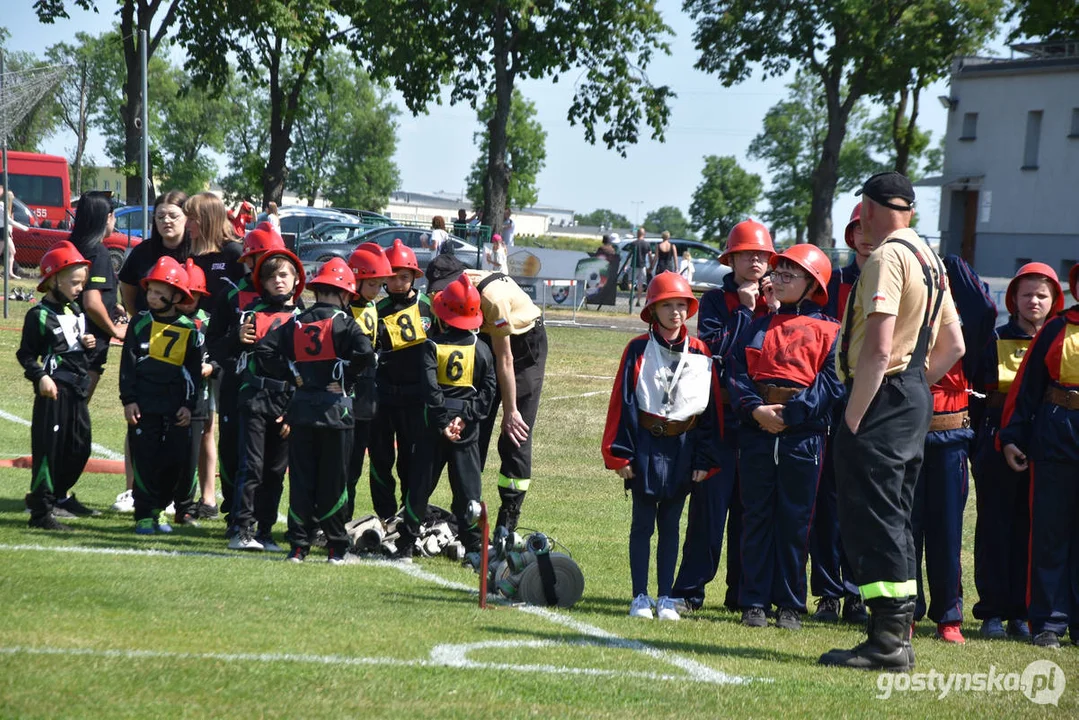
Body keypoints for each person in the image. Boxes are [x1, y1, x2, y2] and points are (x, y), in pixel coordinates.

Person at [820, 171, 964, 671]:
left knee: (872, 519)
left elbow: (878, 350)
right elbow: (954, 346)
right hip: (913, 397)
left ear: (872, 210)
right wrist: (914, 386)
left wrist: (855, 417)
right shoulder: (931, 259)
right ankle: (893, 634)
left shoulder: (887, 256)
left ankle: (886, 641)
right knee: (895, 516)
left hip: (881, 399)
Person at [728, 244, 842, 631]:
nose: (776, 280)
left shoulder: (830, 330)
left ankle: (790, 604)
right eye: (776, 274)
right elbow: (737, 372)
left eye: (788, 275)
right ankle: (754, 601)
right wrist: (755, 410)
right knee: (755, 516)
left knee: (797, 521)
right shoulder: (758, 324)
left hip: (804, 436)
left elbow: (831, 382)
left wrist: (793, 415)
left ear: (813, 284)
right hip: (758, 432)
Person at [672, 219, 776, 616]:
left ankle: (744, 594)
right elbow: (714, 352)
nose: (756, 260)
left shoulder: (778, 300)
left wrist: (769, 309)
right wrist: (747, 312)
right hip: (719, 419)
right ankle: (690, 591)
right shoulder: (717, 300)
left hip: (759, 422)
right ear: (730, 259)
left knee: (752, 512)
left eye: (762, 254)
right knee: (708, 512)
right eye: (748, 254)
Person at [602, 272, 719, 621]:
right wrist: (620, 453)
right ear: (653, 310)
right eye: (667, 306)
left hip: (683, 447)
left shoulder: (700, 351)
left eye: (681, 305)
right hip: (645, 446)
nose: (675, 313)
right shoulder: (637, 348)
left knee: (671, 525)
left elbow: (710, 412)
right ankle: (640, 595)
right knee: (642, 524)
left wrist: (704, 459)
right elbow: (621, 403)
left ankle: (666, 597)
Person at [258, 258, 376, 564]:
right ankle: (336, 548)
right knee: (334, 482)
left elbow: (264, 351)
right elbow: (366, 354)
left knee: (301, 480)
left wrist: (293, 375)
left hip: (302, 411)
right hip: (337, 414)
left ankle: (298, 546)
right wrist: (345, 377)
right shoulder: (345, 323)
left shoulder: (296, 322)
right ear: (345, 294)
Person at [971, 263, 1063, 641]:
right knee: (994, 527)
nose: (1034, 301)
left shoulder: (1062, 339)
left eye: (1042, 294)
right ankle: (993, 610)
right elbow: (977, 394)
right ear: (1013, 299)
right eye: (1026, 294)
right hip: (995, 441)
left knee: (1033, 530)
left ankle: (1024, 613)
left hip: (1042, 443)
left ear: (1055, 299)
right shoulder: (993, 340)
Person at [425, 254, 546, 534]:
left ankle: (508, 516)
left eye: (442, 288)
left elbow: (505, 359)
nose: (438, 295)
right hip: (487, 339)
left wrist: (511, 410)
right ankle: (466, 511)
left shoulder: (491, 299)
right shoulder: (455, 291)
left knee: (515, 433)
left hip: (524, 347)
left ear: (461, 277)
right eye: (434, 290)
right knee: (474, 421)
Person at [910, 255, 996, 645]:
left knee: (946, 531)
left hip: (950, 438)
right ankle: (905, 612)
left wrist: (949, 264)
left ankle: (949, 616)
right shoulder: (905, 306)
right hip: (906, 436)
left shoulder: (964, 320)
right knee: (906, 530)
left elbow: (986, 309)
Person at [997, 262, 1079, 649]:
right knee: (1049, 535)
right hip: (1056, 440)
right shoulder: (1055, 329)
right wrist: (1012, 437)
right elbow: (1026, 389)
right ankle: (1048, 622)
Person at [396, 273, 498, 561]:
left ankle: (407, 543)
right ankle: (474, 548)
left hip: (434, 426)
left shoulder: (432, 346)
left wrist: (443, 422)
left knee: (420, 486)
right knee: (468, 490)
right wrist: (465, 418)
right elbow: (488, 391)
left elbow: (430, 389)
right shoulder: (482, 349)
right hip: (467, 428)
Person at [810, 204, 873, 625]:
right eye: (858, 229)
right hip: (831, 402)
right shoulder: (833, 283)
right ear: (849, 235)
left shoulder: (897, 279)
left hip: (874, 404)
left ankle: (857, 592)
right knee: (826, 503)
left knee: (864, 505)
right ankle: (828, 593)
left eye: (872, 227)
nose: (866, 236)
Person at [113, 189, 188, 513]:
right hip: (146, 348)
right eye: (160, 216)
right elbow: (129, 288)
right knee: (140, 420)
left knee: (187, 425)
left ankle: (179, 496)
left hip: (183, 347)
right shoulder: (143, 252)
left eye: (173, 215)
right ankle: (134, 490)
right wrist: (138, 322)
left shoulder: (195, 251)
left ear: (187, 218)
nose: (166, 221)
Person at [206, 223, 285, 531]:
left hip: (275, 392)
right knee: (233, 452)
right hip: (236, 385)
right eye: (263, 258)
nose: (271, 268)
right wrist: (236, 340)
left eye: (276, 259)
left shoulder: (291, 299)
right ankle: (235, 513)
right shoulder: (231, 294)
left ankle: (262, 519)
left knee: (271, 458)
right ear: (249, 261)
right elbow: (213, 343)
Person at [229, 244, 305, 551]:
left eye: (284, 274)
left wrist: (295, 410)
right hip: (255, 397)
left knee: (276, 470)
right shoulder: (250, 315)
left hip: (287, 403)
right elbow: (224, 352)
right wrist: (236, 340)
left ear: (297, 280)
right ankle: (240, 529)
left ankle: (264, 530)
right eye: (271, 276)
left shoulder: (304, 319)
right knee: (252, 466)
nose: (279, 281)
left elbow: (308, 369)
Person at [119, 257, 202, 535]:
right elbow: (127, 365)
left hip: (174, 407)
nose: (152, 297)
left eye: (159, 292)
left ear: (176, 295)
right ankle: (144, 513)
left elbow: (193, 374)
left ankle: (159, 510)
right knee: (145, 459)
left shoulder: (189, 329)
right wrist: (128, 399)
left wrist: (188, 406)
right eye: (150, 291)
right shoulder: (139, 323)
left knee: (173, 461)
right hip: (144, 405)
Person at [17, 242, 97, 530]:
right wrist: (40, 376)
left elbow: (75, 348)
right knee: (49, 449)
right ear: (53, 280)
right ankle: (41, 510)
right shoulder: (37, 316)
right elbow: (25, 354)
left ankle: (60, 496)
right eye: (74, 282)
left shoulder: (75, 310)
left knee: (80, 445)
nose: (79, 288)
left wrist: (88, 344)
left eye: (83, 283)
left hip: (77, 389)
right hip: (54, 391)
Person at [183, 192, 245, 517]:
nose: (187, 224)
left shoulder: (233, 252)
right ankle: (202, 498)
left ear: (206, 219)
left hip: (226, 353)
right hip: (193, 349)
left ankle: (219, 497)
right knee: (200, 420)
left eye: (192, 218)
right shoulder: (190, 254)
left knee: (222, 423)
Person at [369, 239, 433, 522]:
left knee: (411, 459)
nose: (397, 282)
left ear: (415, 277)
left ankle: (409, 515)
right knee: (381, 459)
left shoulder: (429, 307)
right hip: (383, 395)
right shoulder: (377, 309)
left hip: (416, 396)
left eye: (404, 277)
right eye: (392, 276)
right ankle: (384, 515)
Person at [345, 242, 394, 519]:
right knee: (344, 463)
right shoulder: (344, 311)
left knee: (356, 466)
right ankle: (338, 519)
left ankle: (347, 518)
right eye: (373, 285)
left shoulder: (372, 309)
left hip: (367, 395)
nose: (377, 292)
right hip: (349, 393)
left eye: (379, 285)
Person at [66, 192, 128, 401]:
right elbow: (91, 302)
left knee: (63, 407)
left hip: (65, 340)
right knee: (76, 410)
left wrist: (113, 306)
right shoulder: (99, 252)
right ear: (107, 217)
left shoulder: (71, 245)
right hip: (88, 346)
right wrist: (115, 331)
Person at [174, 259, 218, 527]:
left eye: (195, 294)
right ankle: (173, 496)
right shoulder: (168, 320)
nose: (189, 299)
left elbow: (217, 351)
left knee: (206, 434)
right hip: (173, 389)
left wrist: (211, 366)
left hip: (203, 390)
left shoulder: (207, 322)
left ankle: (208, 496)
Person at [1, 186, 29, 279]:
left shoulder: (8, 208)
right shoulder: (2, 207)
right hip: (2, 232)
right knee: (6, 252)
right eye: (11, 198)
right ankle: (9, 273)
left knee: (12, 252)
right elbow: (9, 221)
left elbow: (9, 223)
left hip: (6, 233)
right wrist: (23, 228)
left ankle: (9, 273)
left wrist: (10, 232)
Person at [629, 228, 652, 307]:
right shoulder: (647, 244)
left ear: (637, 234)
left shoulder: (633, 243)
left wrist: (626, 265)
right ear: (644, 234)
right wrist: (651, 265)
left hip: (634, 265)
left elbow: (630, 255)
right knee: (640, 284)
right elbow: (649, 255)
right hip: (642, 266)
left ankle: (632, 294)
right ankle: (638, 301)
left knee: (630, 282)